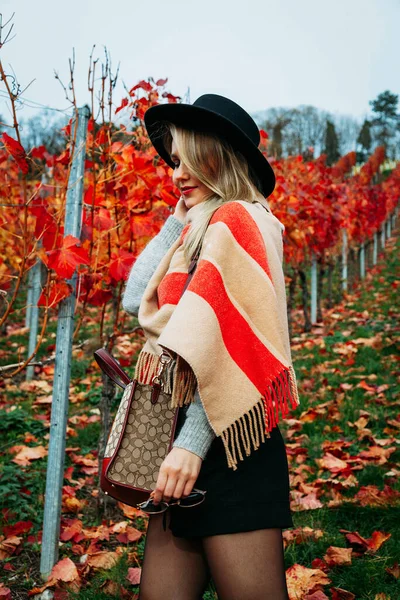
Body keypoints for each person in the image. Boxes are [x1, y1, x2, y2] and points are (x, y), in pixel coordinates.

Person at [122, 94, 299, 600]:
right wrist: (180, 219)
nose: (177, 172)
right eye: (173, 161)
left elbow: (226, 348)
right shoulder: (203, 225)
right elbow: (138, 297)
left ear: (219, 156)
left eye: (189, 159)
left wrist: (189, 447)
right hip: (182, 443)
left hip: (226, 444)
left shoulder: (240, 223)